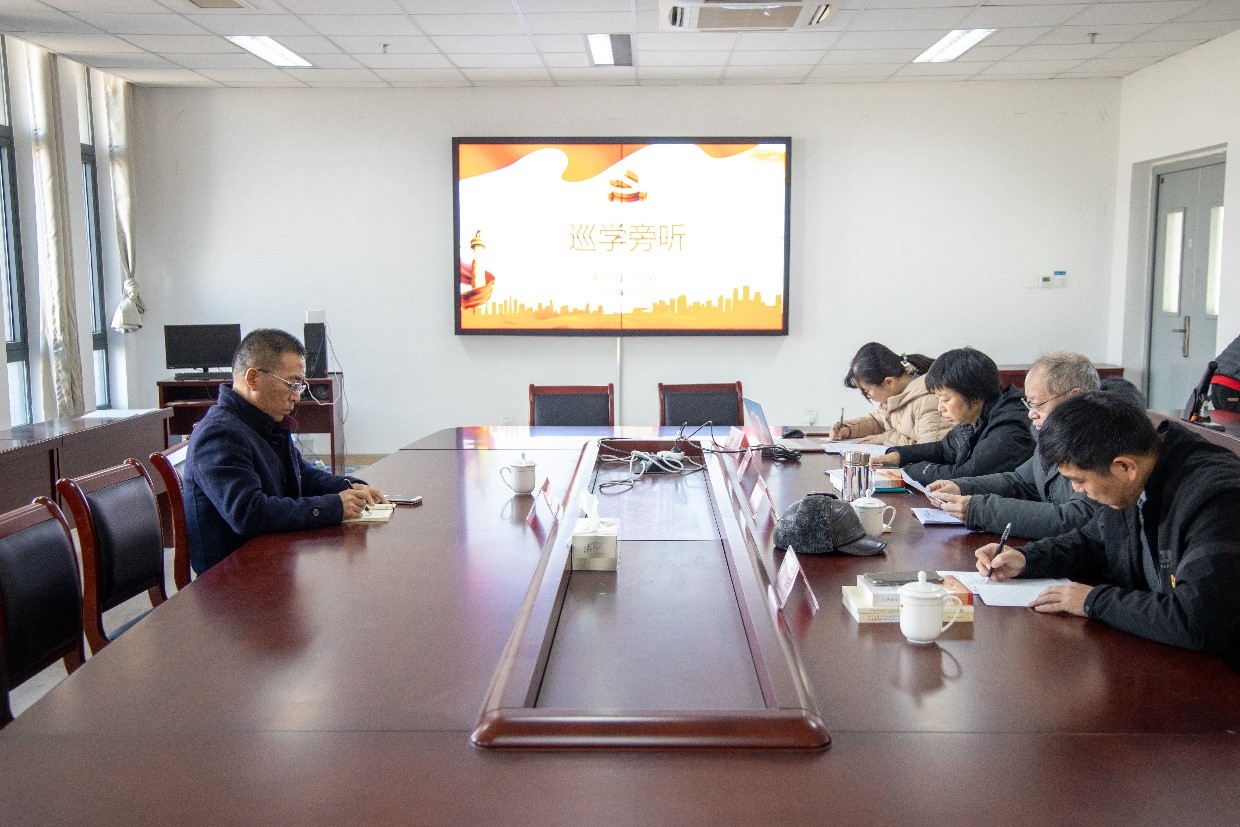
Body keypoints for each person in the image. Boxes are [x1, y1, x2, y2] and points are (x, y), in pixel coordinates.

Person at [976, 391, 1240, 671]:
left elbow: (1198, 620)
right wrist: (1027, 559)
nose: (1077, 490)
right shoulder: (1138, 475)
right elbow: (1094, 542)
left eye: (1079, 480)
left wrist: (1093, 600)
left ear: (1125, 467)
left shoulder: (1217, 500)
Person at [184, 328, 386, 574]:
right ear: (253, 379)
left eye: (300, 386)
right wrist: (335, 506)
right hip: (234, 578)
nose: (296, 398)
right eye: (292, 384)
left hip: (273, 558)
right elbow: (248, 513)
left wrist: (347, 486)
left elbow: (302, 475)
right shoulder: (219, 434)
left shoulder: (262, 423)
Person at [927, 352, 1100, 539]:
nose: (1031, 414)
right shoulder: (1052, 437)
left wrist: (979, 510)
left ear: (1075, 398)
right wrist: (960, 487)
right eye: (1029, 404)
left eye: (1038, 405)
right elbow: (1020, 481)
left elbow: (1075, 518)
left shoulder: (1101, 443)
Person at [870, 347, 1033, 484]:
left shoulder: (1009, 428)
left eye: (946, 399)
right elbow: (943, 449)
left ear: (974, 396)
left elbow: (968, 475)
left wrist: (909, 471)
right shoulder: (974, 417)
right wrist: (899, 456)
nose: (940, 408)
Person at [830, 343, 951, 446]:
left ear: (888, 382)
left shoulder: (928, 401)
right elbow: (877, 421)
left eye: (867, 391)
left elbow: (930, 450)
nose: (869, 397)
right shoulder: (896, 395)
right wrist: (848, 428)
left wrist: (885, 438)